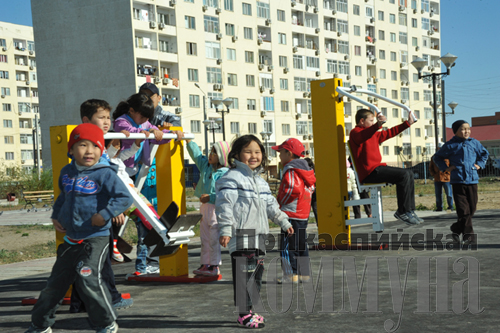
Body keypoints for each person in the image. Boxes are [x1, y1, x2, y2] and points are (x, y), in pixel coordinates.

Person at [25, 123, 133, 333]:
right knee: (54, 284)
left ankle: (106, 323)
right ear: (71, 150)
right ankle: (40, 324)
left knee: (87, 278)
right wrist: (57, 216)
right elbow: (63, 198)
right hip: (71, 240)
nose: (89, 150)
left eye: (95, 146)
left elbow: (124, 198)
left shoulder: (105, 174)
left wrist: (104, 215)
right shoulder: (67, 172)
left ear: (101, 150)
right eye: (82, 145)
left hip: (95, 238)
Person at [216, 135, 294, 329]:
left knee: (256, 275)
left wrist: (283, 221)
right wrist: (225, 229)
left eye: (257, 152)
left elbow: (271, 206)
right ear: (236, 154)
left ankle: (249, 310)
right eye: (248, 151)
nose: (254, 155)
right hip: (241, 235)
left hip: (259, 236)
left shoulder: (260, 182)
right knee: (244, 275)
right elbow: (225, 206)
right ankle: (243, 314)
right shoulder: (231, 178)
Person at [79, 99, 133, 311]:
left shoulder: (99, 144)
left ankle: (80, 301)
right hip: (93, 212)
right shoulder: (86, 145)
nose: (106, 122)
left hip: (97, 211)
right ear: (86, 120)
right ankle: (111, 297)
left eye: (108, 117)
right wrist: (111, 207)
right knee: (100, 258)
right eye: (100, 117)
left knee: (92, 258)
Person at [349, 109, 423, 225]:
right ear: (362, 121)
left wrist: (407, 123)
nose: (373, 123)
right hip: (369, 173)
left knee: (409, 173)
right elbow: (362, 136)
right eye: (371, 121)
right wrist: (377, 125)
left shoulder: (373, 133)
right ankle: (402, 211)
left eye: (374, 121)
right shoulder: (355, 133)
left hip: (377, 169)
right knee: (403, 175)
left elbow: (390, 132)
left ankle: (409, 210)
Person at [104, 134, 162, 277]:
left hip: (136, 194)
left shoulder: (117, 159)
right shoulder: (105, 162)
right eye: (114, 144)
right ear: (105, 147)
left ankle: (151, 263)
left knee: (154, 223)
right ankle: (142, 266)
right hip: (127, 198)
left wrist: (137, 141)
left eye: (119, 144)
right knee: (144, 226)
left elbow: (129, 152)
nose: (118, 147)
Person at [433, 120, 489, 245]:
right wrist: (446, 168)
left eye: (468, 129)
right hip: (458, 181)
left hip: (472, 180)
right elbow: (437, 157)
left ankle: (456, 228)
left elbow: (484, 154)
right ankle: (469, 238)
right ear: (456, 131)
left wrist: (479, 165)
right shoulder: (450, 145)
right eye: (463, 129)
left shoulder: (474, 143)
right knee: (463, 211)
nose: (466, 131)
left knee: (472, 209)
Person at [272, 138, 315, 283]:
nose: (279, 155)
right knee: (300, 243)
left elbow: (292, 189)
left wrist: (280, 203)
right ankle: (304, 273)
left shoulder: (291, 168)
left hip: (291, 212)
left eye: (280, 152)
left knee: (287, 245)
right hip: (302, 213)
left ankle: (290, 274)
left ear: (289, 153)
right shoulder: (306, 170)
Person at [187, 139, 230, 276]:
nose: (210, 154)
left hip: (216, 208)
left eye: (214, 153)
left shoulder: (225, 173)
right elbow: (197, 156)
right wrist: (188, 141)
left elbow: (225, 194)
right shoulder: (206, 167)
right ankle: (205, 264)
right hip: (204, 207)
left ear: (222, 156)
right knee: (204, 238)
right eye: (210, 151)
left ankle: (214, 266)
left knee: (213, 239)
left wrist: (210, 197)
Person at [112, 93, 184, 177]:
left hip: (134, 166)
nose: (145, 120)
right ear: (131, 111)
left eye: (147, 118)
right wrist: (149, 131)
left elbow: (156, 134)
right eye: (142, 117)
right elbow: (131, 133)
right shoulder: (121, 122)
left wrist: (171, 133)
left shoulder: (144, 123)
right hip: (119, 164)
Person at [429, 142, 454, 211]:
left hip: (446, 179)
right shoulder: (434, 157)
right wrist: (434, 174)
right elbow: (431, 167)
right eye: (439, 148)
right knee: (438, 194)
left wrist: (449, 174)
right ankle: (439, 207)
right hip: (437, 179)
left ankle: (450, 207)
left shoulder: (448, 157)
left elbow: (452, 166)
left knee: (449, 194)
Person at [304, 157, 318, 223]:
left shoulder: (304, 173)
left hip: (306, 195)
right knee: (316, 211)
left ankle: (304, 224)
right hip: (315, 194)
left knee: (306, 212)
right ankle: (319, 225)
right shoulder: (314, 172)